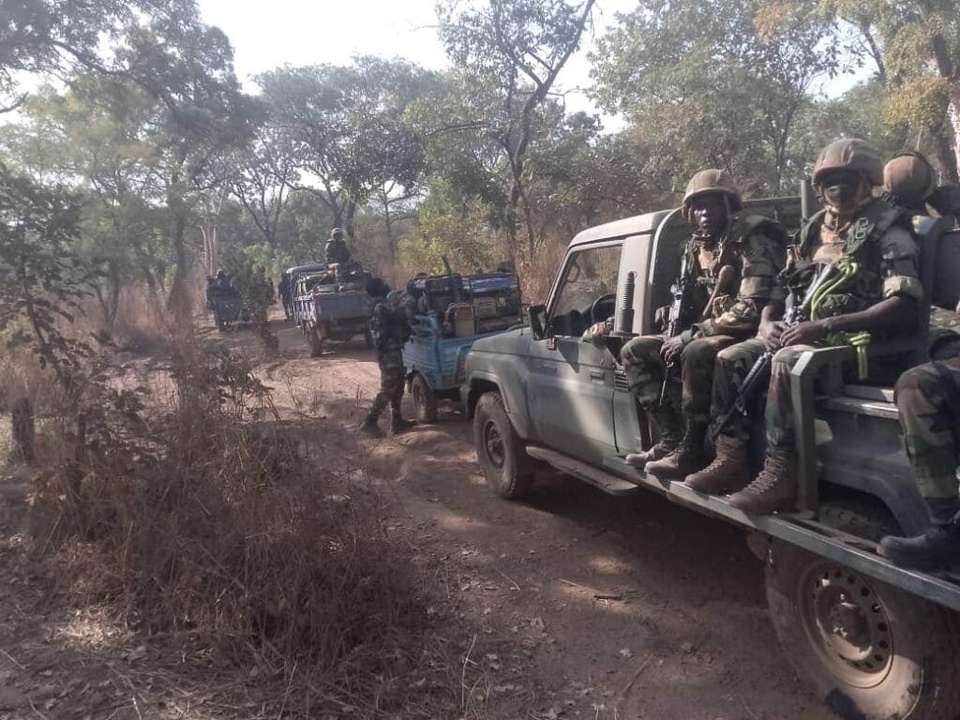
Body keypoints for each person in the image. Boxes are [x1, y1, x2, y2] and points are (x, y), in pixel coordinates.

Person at [687, 138, 924, 515]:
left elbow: (904, 305)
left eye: (848, 178)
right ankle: (730, 458)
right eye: (830, 179)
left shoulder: (887, 228)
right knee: (731, 357)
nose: (838, 187)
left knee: (788, 361)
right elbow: (783, 285)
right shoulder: (814, 229)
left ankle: (782, 473)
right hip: (803, 332)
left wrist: (825, 325)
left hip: (859, 343)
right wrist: (767, 321)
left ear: (867, 181)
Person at [583, 169, 786, 476]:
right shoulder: (695, 246)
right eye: (698, 205)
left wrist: (691, 335)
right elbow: (688, 296)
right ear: (690, 211)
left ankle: (693, 450)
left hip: (747, 331)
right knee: (635, 350)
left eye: (713, 203)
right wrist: (669, 313)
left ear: (729, 204)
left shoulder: (751, 236)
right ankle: (671, 438)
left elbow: (751, 308)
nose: (705, 212)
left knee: (695, 352)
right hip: (709, 329)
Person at [361, 278, 416, 438]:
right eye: (383, 285)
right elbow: (404, 314)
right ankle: (370, 421)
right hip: (388, 352)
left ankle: (397, 421)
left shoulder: (382, 304)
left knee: (398, 385)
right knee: (388, 388)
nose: (386, 285)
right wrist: (408, 297)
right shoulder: (381, 307)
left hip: (393, 350)